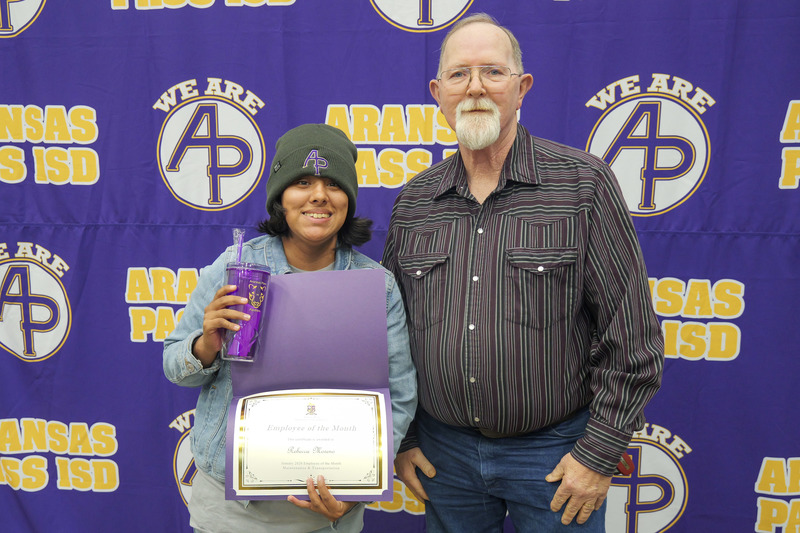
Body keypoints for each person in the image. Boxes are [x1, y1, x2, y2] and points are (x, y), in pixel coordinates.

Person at [381, 13, 664, 532]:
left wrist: (598, 454)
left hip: (557, 457)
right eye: (459, 75)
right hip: (445, 459)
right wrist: (403, 438)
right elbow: (387, 338)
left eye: (492, 72)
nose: (475, 89)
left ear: (522, 87)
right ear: (437, 91)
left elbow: (633, 337)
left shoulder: (583, 186)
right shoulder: (415, 202)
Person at [164, 123, 417, 533]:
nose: (318, 194)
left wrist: (353, 492)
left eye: (332, 183)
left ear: (348, 200)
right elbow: (174, 365)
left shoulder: (377, 286)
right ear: (280, 197)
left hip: (329, 509)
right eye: (302, 182)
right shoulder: (235, 268)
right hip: (232, 511)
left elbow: (400, 395)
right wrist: (205, 345)